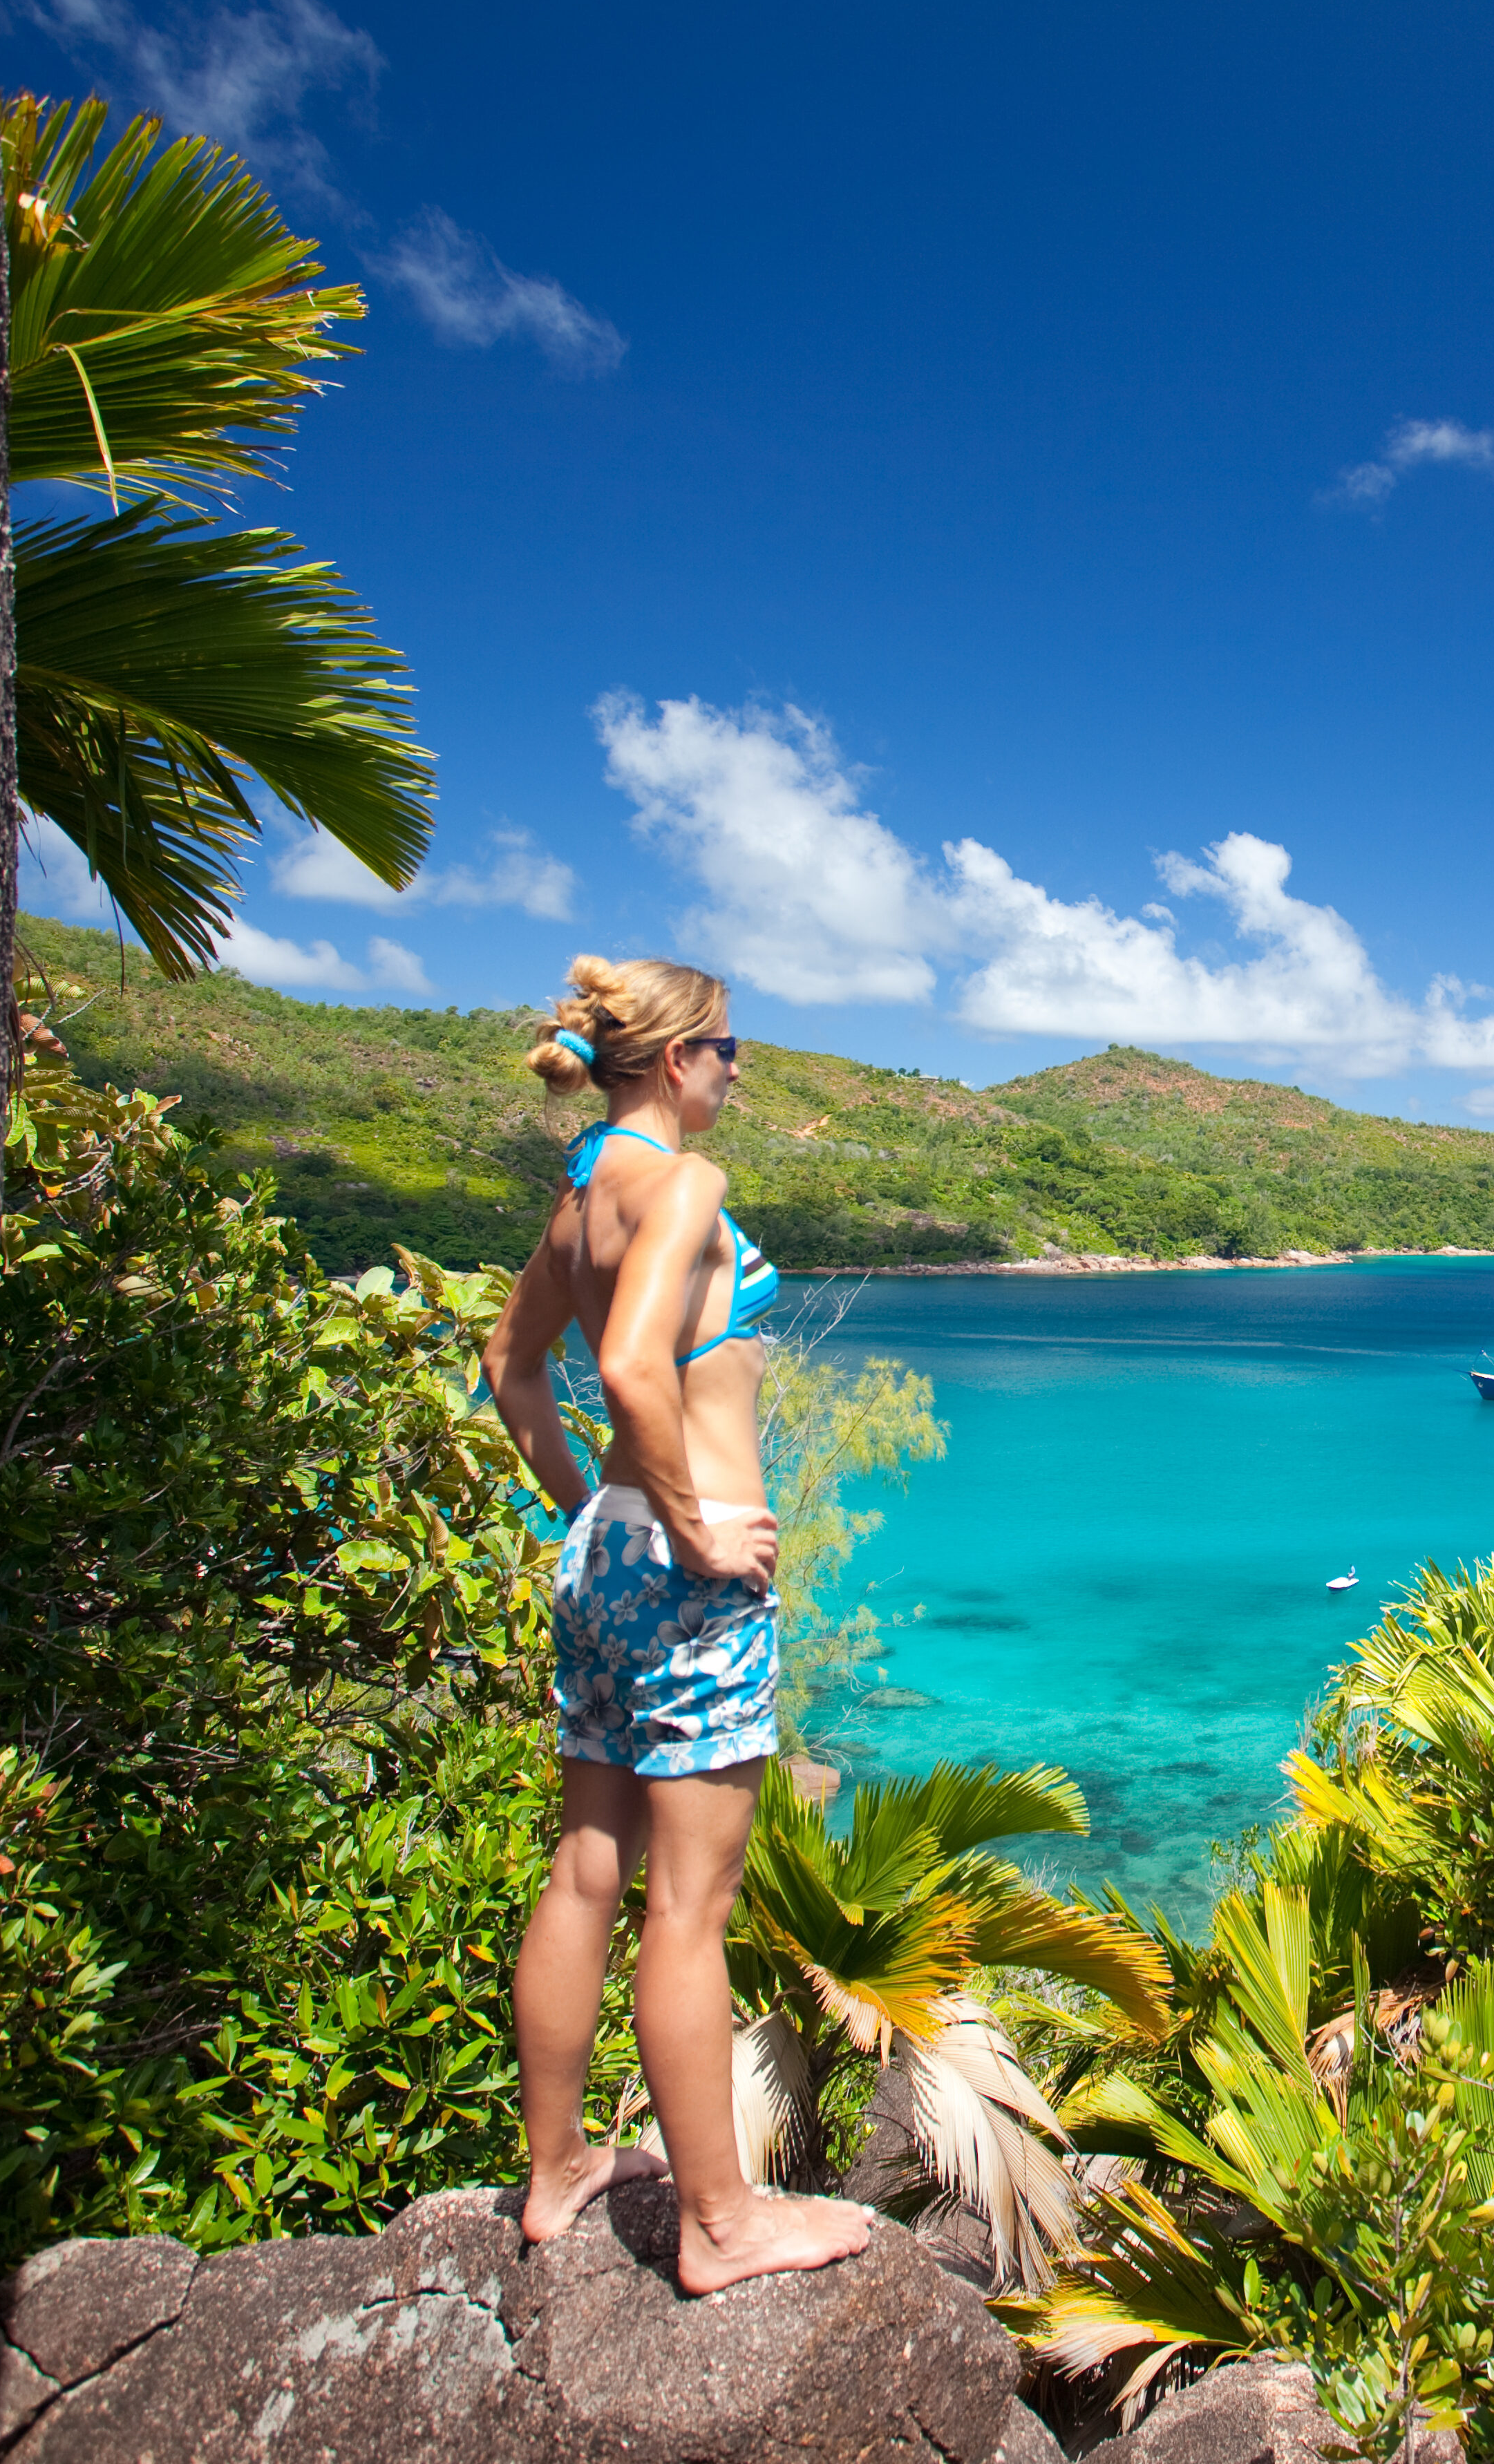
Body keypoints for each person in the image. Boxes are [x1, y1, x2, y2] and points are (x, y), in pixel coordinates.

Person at [480, 955, 875, 2290]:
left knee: (586, 1868)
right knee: (689, 1909)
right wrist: (696, 1528)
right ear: (673, 1061)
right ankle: (719, 2223)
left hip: (603, 1556)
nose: (737, 1072)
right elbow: (631, 1365)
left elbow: (510, 1365)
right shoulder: (683, 1182)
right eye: (728, 1051)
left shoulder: (583, 1195)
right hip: (691, 1577)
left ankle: (555, 2172)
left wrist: (594, 1509)